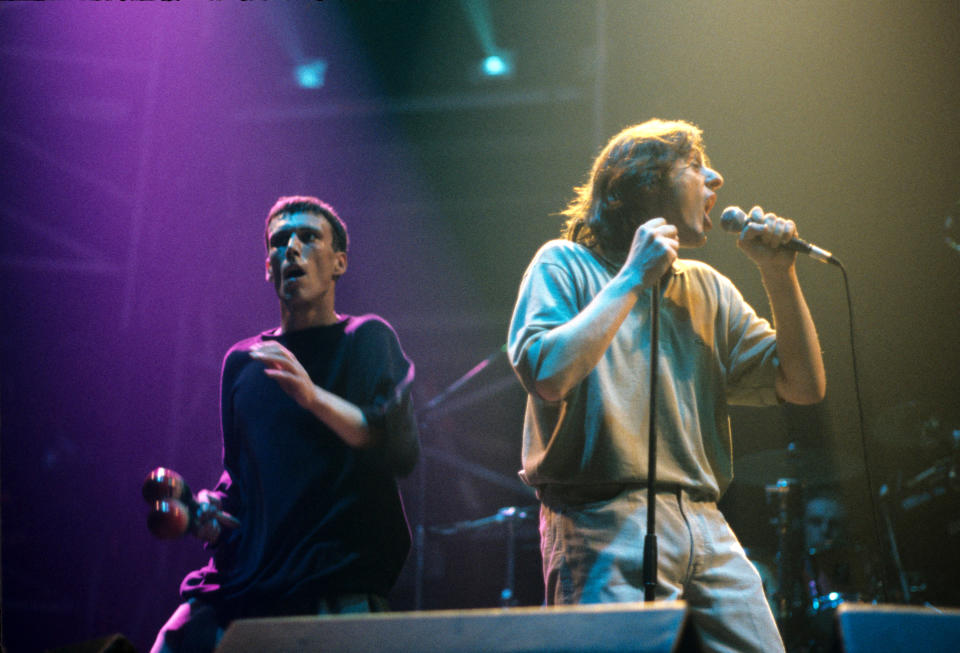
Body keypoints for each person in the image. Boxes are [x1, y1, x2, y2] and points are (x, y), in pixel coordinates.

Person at [507, 119, 826, 653]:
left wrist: (779, 273)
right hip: (600, 517)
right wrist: (633, 278)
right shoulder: (562, 264)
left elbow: (804, 385)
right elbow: (547, 376)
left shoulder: (706, 287)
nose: (716, 179)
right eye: (696, 166)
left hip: (704, 518)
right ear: (646, 184)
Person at [151, 196, 420, 653]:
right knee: (171, 641)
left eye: (308, 237)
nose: (291, 249)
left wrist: (312, 397)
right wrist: (210, 511)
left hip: (333, 583)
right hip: (244, 584)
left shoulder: (367, 338)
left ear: (339, 263)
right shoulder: (243, 362)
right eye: (279, 241)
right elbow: (239, 479)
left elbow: (396, 447)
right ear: (267, 268)